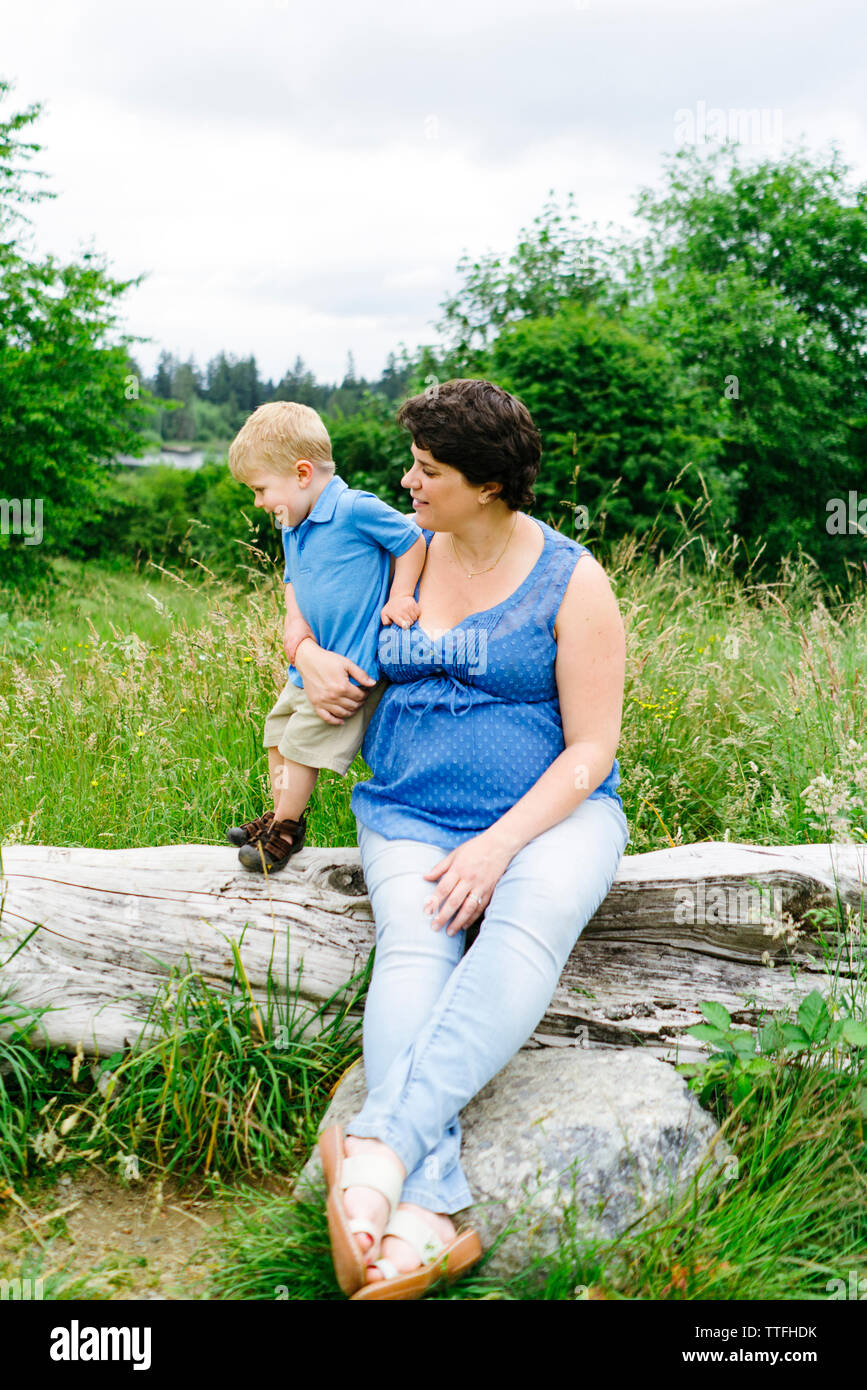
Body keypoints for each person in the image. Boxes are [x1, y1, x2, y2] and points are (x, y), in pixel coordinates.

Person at [292, 379, 629, 1300]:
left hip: (549, 815)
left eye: (426, 469)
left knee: (525, 924)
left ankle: (378, 1152)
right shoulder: (402, 552)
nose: (406, 482)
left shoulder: (572, 577)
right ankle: (429, 1204)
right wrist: (309, 659)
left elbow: (592, 748)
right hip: (407, 808)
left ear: (485, 484)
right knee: (416, 940)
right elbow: (301, 600)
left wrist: (495, 849)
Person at [224, 401, 426, 872]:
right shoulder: (291, 524)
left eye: (259, 489)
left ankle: (286, 831)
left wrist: (400, 595)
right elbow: (292, 580)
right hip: (305, 666)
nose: (257, 501)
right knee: (277, 733)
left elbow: (411, 540)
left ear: (301, 473)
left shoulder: (354, 509)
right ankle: (278, 813)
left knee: (301, 746)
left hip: (350, 665)